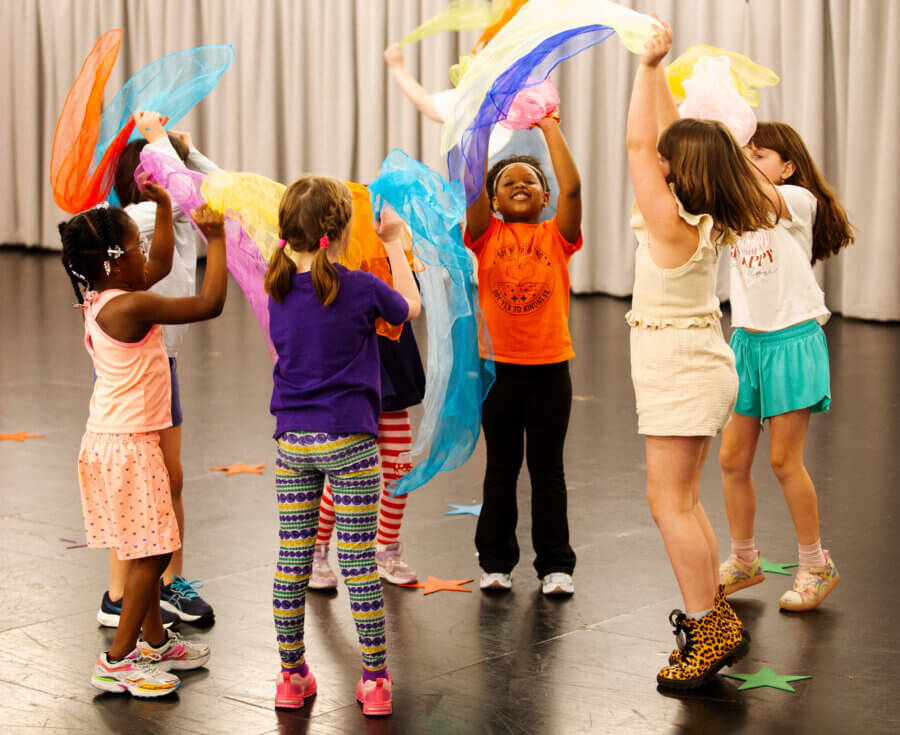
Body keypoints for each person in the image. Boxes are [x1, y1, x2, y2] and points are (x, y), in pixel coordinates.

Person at [624, 21, 775, 689]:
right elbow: (659, 139)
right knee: (682, 499)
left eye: (666, 158)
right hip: (696, 358)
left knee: (670, 502)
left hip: (680, 364)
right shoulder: (696, 213)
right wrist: (658, 77)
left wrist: (647, 65)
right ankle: (713, 615)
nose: (655, 159)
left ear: (678, 172)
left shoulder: (670, 221)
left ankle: (703, 626)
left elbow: (637, 142)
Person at [59, 183, 227, 697]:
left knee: (145, 546)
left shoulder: (102, 294)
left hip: (115, 442)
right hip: (128, 446)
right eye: (136, 246)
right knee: (154, 554)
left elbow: (154, 265)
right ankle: (117, 660)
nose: (146, 255)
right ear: (113, 262)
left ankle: (154, 641)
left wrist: (162, 208)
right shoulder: (128, 308)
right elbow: (209, 302)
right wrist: (215, 239)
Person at [264, 176, 421, 716]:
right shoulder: (358, 287)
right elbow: (409, 308)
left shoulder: (277, 287)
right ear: (339, 230)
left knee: (293, 558)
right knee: (358, 562)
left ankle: (290, 676)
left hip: (293, 442)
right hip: (349, 440)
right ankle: (374, 680)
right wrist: (396, 242)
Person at [718, 121, 853, 611]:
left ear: (787, 167)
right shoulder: (735, 212)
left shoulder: (796, 201)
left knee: (782, 461)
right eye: (746, 156)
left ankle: (816, 564)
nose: (750, 165)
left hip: (793, 339)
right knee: (732, 459)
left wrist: (731, 148)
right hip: (748, 343)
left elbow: (756, 188)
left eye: (760, 156)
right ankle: (744, 559)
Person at [93, 111, 219, 629]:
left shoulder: (148, 214)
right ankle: (140, 590)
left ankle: (146, 587)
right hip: (148, 370)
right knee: (158, 483)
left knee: (168, 481)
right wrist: (163, 143)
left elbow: (211, 183)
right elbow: (208, 187)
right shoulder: (144, 219)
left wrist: (171, 146)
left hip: (160, 364)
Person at [464, 106, 581, 596]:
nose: (518, 184)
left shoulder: (559, 237)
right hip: (498, 372)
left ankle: (555, 565)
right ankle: (495, 562)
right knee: (501, 469)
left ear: (546, 197)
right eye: (507, 181)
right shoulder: (483, 234)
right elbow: (470, 187)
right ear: (492, 200)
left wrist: (550, 126)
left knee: (547, 470)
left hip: (550, 370)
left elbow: (574, 188)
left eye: (529, 181)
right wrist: (485, 129)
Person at [383, 42, 559, 220]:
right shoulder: (464, 102)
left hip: (536, 211)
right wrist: (397, 67)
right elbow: (423, 102)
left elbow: (423, 102)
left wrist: (397, 67)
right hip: (505, 214)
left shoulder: (523, 97)